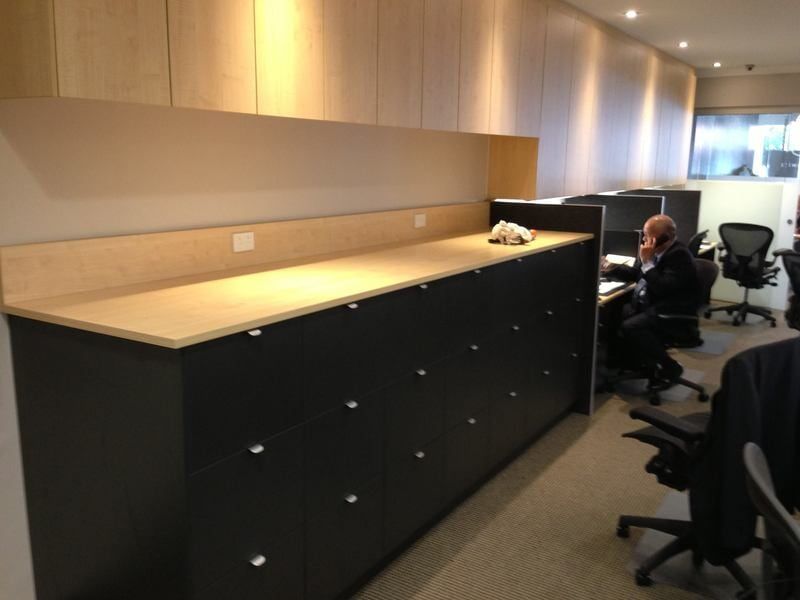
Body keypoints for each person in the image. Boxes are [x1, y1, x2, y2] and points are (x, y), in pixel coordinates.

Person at [603, 214, 700, 389]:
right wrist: (609, 268)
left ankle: (670, 367)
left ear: (663, 238)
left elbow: (663, 287)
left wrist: (647, 262)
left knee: (631, 326)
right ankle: (632, 362)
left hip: (671, 309)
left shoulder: (679, 255)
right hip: (651, 303)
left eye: (648, 236)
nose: (644, 240)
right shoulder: (657, 252)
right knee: (614, 313)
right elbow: (637, 274)